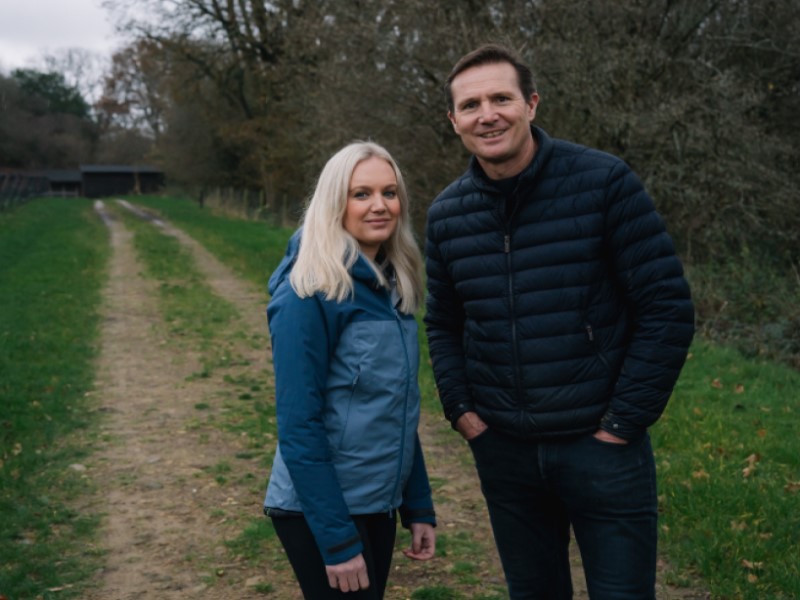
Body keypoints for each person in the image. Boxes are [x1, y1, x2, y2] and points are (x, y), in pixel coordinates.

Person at [424, 44, 695, 599]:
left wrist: (622, 422)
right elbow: (443, 324)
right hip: (506, 452)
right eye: (471, 105)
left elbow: (666, 307)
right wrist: (463, 412)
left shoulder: (604, 183)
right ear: (454, 122)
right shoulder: (447, 215)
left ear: (532, 104)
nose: (488, 114)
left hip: (602, 449)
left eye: (501, 98)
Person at [263, 141, 436, 599]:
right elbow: (299, 427)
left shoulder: (391, 286)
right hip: (321, 509)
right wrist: (338, 540)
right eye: (361, 194)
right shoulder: (308, 292)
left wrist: (416, 503)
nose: (380, 205)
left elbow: (394, 406)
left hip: (377, 501)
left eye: (390, 192)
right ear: (333, 202)